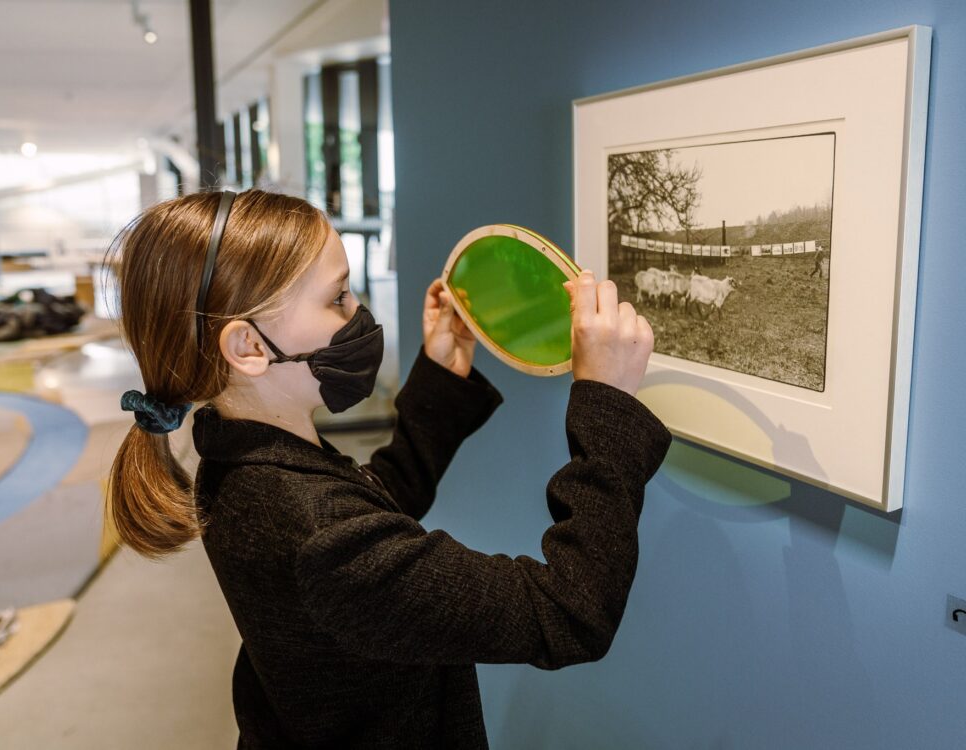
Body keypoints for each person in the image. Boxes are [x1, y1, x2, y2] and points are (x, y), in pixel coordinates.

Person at [107, 188, 672, 749]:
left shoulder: (241, 461)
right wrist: (606, 404)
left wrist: (440, 378)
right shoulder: (312, 531)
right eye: (339, 298)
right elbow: (569, 611)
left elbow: (370, 503)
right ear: (249, 347)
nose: (361, 314)